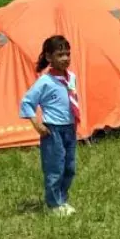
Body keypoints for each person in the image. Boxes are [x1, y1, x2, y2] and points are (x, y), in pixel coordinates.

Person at [20, 35, 80, 216]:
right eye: (60, 55)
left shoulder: (71, 78)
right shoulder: (45, 82)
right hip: (53, 129)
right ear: (49, 58)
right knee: (55, 167)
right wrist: (36, 124)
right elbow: (27, 102)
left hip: (69, 129)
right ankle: (53, 205)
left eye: (68, 54)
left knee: (69, 167)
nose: (65, 58)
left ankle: (62, 199)